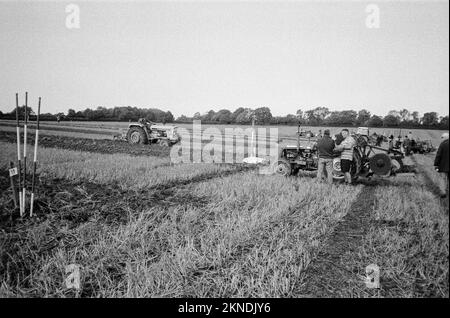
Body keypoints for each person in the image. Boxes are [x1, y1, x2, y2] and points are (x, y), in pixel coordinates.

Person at [434, 133, 449, 198]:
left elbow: (438, 155)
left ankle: (443, 193)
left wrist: (436, 164)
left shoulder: (443, 144)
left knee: (442, 179)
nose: (441, 139)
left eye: (442, 137)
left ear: (445, 137)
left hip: (443, 166)